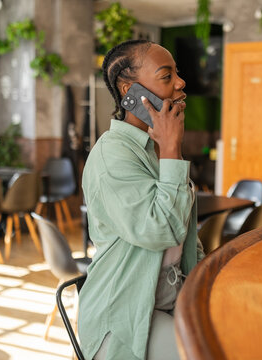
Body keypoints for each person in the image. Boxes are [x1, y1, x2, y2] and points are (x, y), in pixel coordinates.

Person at [77, 39, 205, 360]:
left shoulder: (156, 146)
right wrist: (173, 149)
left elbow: (186, 237)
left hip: (165, 302)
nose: (180, 83)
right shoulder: (112, 155)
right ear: (129, 91)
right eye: (166, 76)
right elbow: (163, 230)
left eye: (177, 73)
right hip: (122, 314)